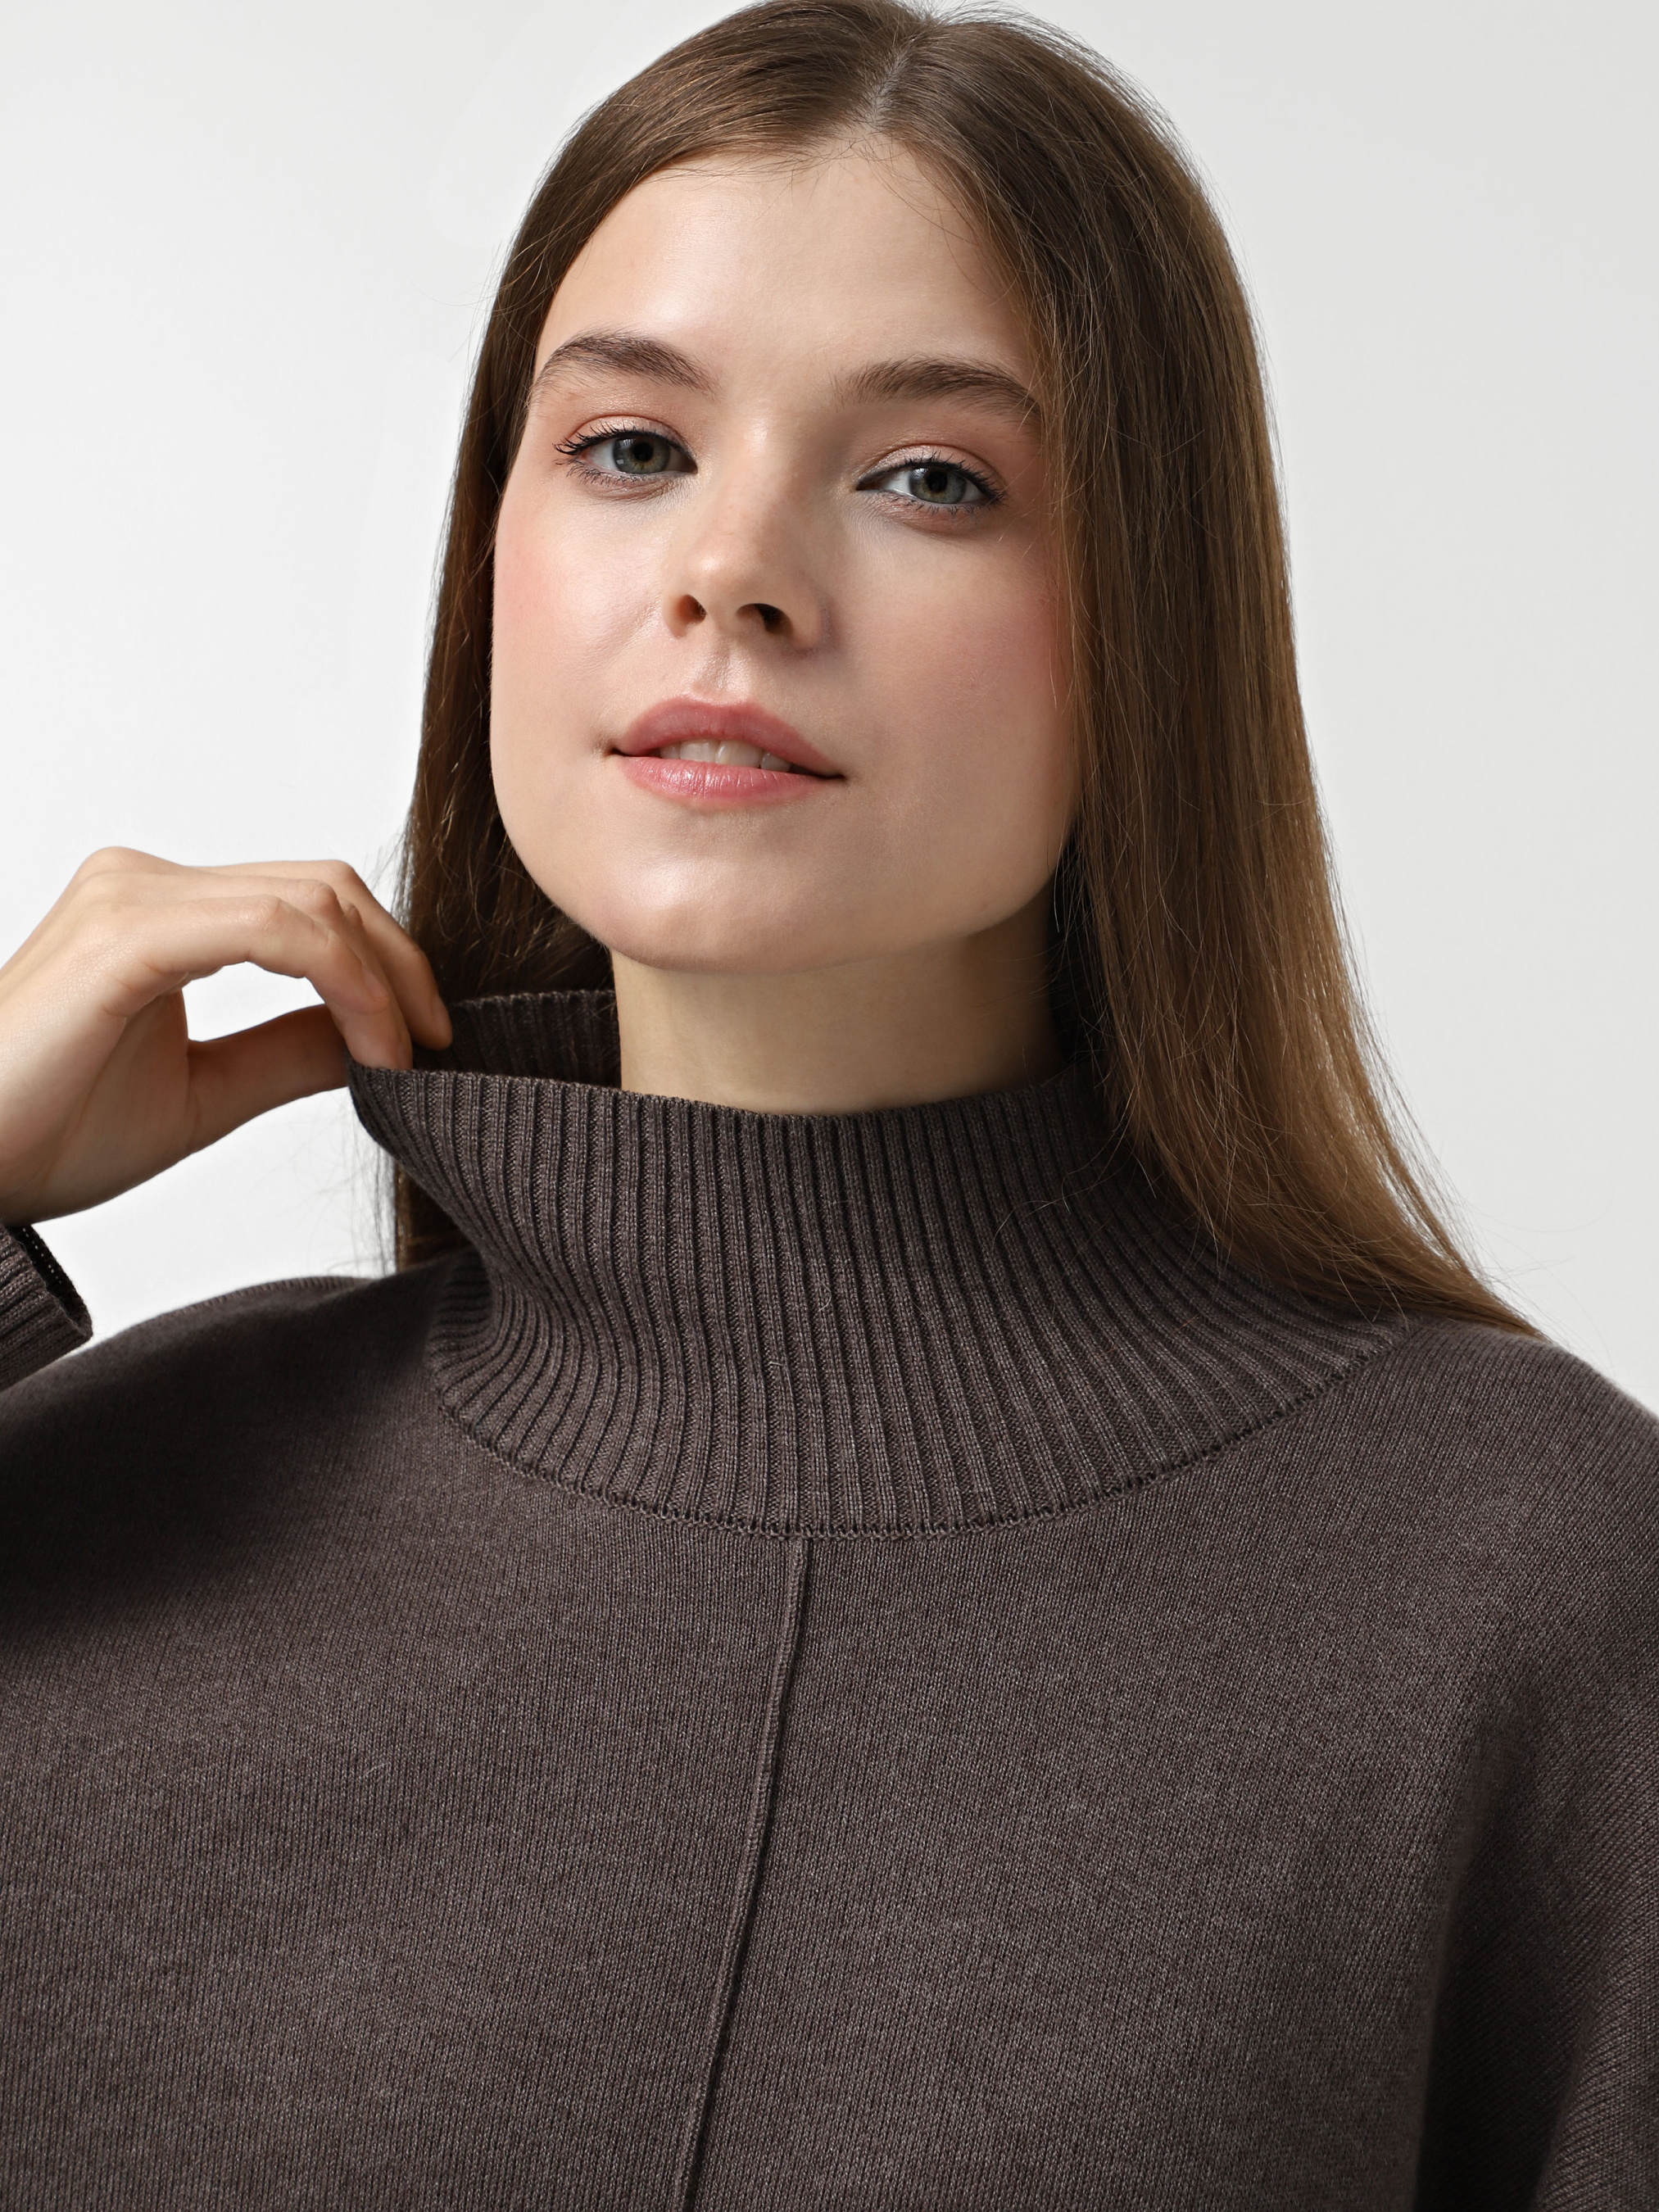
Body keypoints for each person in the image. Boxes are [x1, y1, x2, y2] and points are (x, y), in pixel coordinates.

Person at [1, 0, 1653, 2202]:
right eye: (628, 447)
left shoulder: (1514, 1585)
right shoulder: (112, 1503)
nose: (732, 570)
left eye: (929, 479)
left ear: (1146, 623)